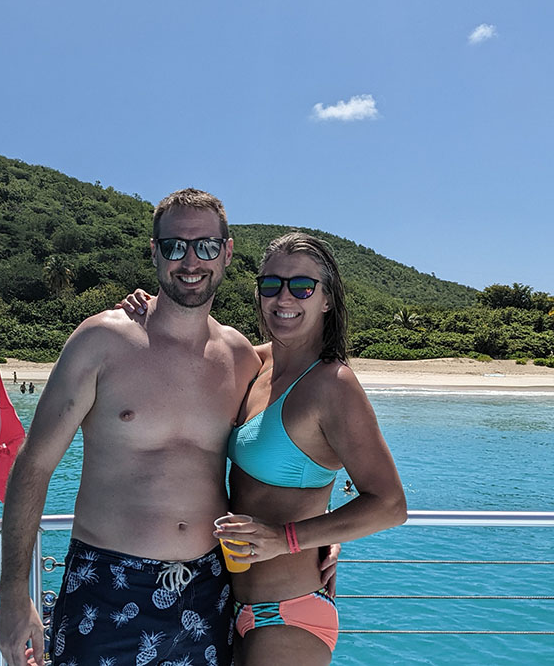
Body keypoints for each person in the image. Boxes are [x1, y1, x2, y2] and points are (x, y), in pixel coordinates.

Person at [0, 189, 265, 666]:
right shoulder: (102, 340)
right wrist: (14, 595)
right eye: (174, 246)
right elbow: (33, 464)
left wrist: (313, 538)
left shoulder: (241, 357)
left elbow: (280, 454)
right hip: (107, 587)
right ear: (154, 251)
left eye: (204, 246)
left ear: (226, 251)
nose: (190, 260)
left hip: (207, 590)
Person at [121, 233, 406, 664]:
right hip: (221, 603)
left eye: (302, 286)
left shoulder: (334, 385)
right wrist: (150, 310)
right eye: (271, 285)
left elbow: (390, 505)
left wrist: (288, 539)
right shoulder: (254, 363)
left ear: (327, 299)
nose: (283, 297)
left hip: (289, 612)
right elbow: (182, 354)